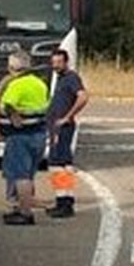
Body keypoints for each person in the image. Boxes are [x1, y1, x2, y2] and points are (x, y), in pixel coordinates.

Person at [0, 50, 50, 225]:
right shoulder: (40, 84)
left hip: (20, 136)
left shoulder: (16, 85)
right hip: (38, 134)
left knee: (19, 175)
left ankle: (25, 213)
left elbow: (7, 105)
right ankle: (24, 206)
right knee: (29, 174)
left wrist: (14, 118)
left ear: (12, 67)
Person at [45, 48, 90, 218]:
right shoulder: (60, 79)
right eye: (53, 63)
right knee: (61, 164)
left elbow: (83, 96)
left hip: (62, 128)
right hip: (56, 127)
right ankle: (64, 201)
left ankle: (64, 202)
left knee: (58, 165)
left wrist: (67, 117)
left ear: (66, 62)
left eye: (59, 62)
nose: (55, 66)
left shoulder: (71, 78)